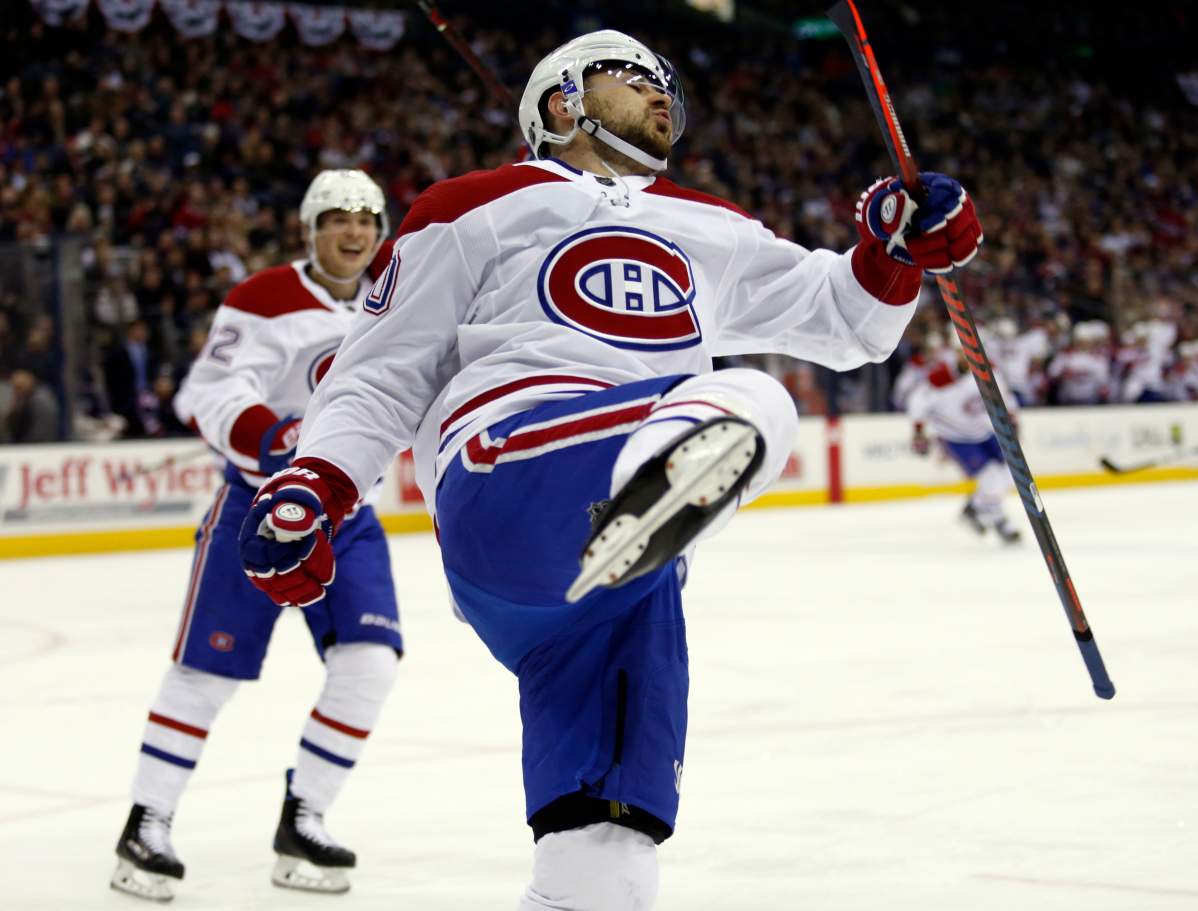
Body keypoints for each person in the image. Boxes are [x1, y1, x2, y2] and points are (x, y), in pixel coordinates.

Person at [238, 31, 982, 910]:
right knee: (753, 404)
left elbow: (846, 321)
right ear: (562, 102)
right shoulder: (475, 204)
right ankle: (659, 468)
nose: (664, 93)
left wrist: (899, 246)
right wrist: (314, 485)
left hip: (624, 589)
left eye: (669, 82)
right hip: (508, 474)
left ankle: (652, 493)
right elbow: (381, 371)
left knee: (604, 860)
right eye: (633, 76)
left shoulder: (710, 224)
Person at [111, 170, 403, 902]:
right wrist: (279, 439)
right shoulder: (263, 297)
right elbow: (206, 392)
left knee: (370, 661)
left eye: (366, 220)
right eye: (337, 219)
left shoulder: (398, 299)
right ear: (311, 228)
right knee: (206, 675)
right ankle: (147, 821)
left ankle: (304, 817)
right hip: (259, 510)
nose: (354, 233)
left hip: (349, 518)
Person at [908, 341, 1021, 543]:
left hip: (984, 431)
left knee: (1007, 476)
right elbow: (917, 401)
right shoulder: (940, 378)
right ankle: (1000, 521)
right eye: (963, 352)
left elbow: (1003, 394)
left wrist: (1012, 419)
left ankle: (974, 507)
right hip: (956, 437)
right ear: (956, 353)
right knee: (990, 479)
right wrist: (918, 432)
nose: (968, 355)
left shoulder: (988, 370)